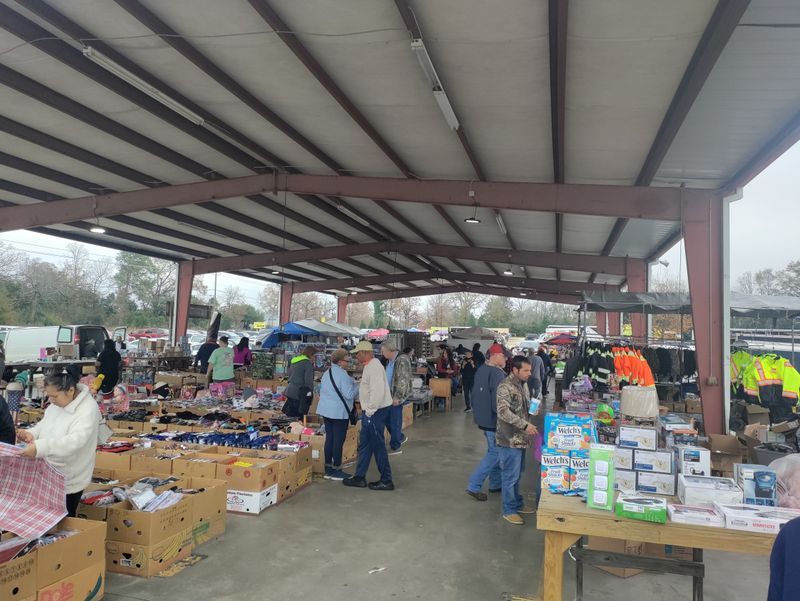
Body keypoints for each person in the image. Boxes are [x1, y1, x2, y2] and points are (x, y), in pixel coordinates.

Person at [16, 369, 101, 517]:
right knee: (44, 516)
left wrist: (40, 448)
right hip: (48, 470)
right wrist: (31, 433)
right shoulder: (56, 404)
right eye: (49, 396)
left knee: (63, 519)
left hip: (70, 476)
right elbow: (45, 424)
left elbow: (74, 442)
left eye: (54, 396)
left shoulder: (88, 410)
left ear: (70, 390)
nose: (51, 400)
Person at [343, 340, 394, 491]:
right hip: (372, 412)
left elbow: (377, 392)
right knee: (365, 444)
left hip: (375, 412)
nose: (356, 357)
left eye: (357, 354)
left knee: (378, 446)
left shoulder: (374, 367)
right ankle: (359, 476)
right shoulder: (371, 366)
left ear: (365, 353)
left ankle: (386, 479)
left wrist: (370, 411)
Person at [496, 355, 538, 525]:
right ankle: (509, 510)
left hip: (521, 438)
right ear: (515, 370)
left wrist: (532, 410)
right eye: (526, 370)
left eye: (530, 370)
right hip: (509, 438)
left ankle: (517, 502)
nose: (529, 373)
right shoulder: (505, 387)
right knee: (510, 476)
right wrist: (524, 425)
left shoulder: (523, 384)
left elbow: (523, 407)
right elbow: (503, 412)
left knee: (518, 474)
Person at [465, 344, 508, 501]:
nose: (506, 359)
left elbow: (475, 395)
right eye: (504, 356)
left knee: (494, 451)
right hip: (494, 420)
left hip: (483, 418)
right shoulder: (497, 373)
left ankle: (495, 484)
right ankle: (474, 485)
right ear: (495, 355)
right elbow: (498, 402)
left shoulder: (482, 369)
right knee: (495, 453)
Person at [317, 348, 358, 481]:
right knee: (338, 441)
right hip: (339, 412)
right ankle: (337, 469)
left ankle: (328, 467)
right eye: (347, 360)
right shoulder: (342, 375)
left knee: (330, 438)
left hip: (326, 411)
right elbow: (349, 394)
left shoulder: (327, 373)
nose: (349, 363)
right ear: (340, 362)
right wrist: (358, 385)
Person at [382, 342, 412, 455]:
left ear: (390, 350)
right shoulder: (390, 361)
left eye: (383, 351)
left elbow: (402, 380)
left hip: (395, 397)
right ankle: (400, 437)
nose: (382, 353)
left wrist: (398, 397)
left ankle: (396, 446)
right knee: (387, 419)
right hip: (388, 395)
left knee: (395, 421)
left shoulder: (402, 360)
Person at [284, 345, 316, 418]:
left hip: (290, 390)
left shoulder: (295, 361)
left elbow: (289, 375)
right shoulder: (307, 363)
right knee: (299, 418)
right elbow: (308, 381)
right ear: (310, 355)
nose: (315, 358)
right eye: (314, 356)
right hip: (299, 393)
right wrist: (310, 392)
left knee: (290, 416)